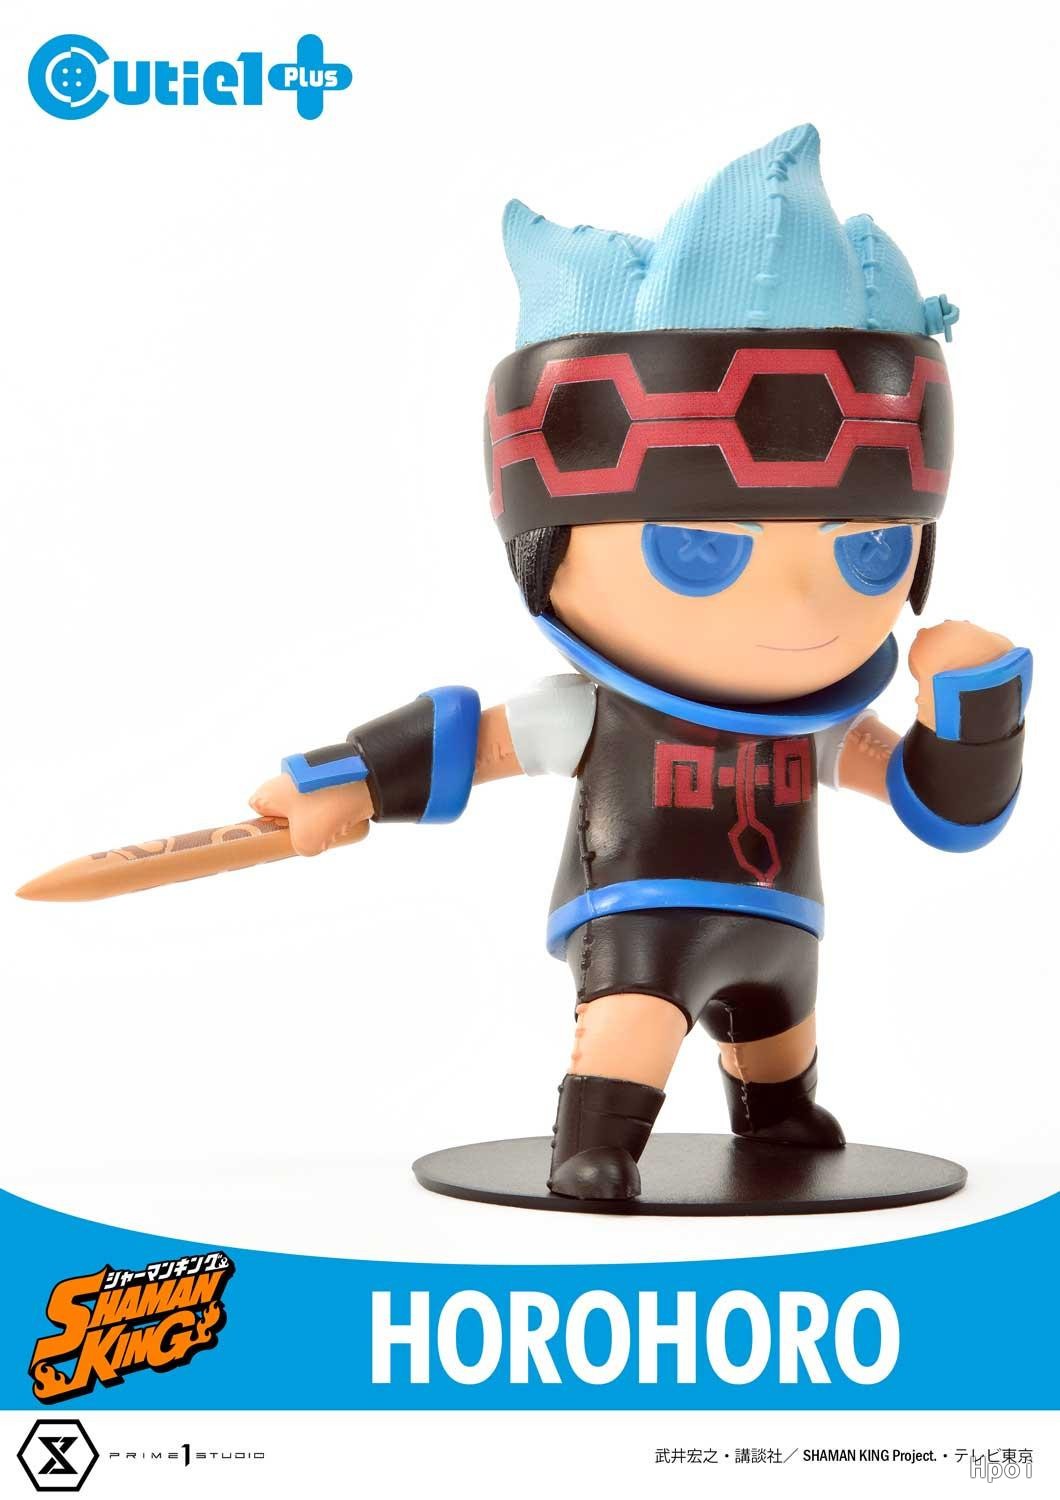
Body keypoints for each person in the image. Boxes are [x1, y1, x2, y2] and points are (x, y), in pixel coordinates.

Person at [251, 126, 1030, 1202]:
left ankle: (777, 1110)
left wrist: (976, 712)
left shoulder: (817, 727)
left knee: (780, 1032)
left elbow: (941, 809)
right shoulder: (598, 716)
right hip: (638, 913)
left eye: (867, 551)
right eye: (698, 552)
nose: (799, 605)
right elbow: (472, 737)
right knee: (632, 1024)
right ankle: (598, 1138)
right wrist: (344, 778)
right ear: (548, 552)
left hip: (784, 921)